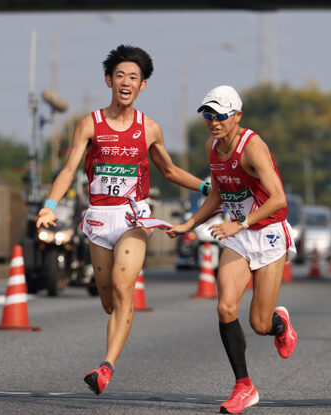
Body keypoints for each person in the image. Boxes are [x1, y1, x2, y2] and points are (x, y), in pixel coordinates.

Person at [36, 45, 209, 395]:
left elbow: (170, 170)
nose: (126, 82)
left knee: (122, 285)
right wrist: (49, 205)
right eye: (120, 76)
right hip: (99, 218)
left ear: (142, 85)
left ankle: (106, 366)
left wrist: (208, 186)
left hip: (134, 216)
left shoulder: (150, 129)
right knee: (108, 301)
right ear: (108, 81)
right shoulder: (89, 124)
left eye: (134, 77)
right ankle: (115, 334)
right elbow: (69, 170)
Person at [166, 85, 298, 414]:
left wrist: (240, 223)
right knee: (225, 308)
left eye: (220, 115)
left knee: (260, 324)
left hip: (267, 233)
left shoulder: (252, 147)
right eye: (208, 115)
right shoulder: (213, 147)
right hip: (239, 236)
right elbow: (217, 195)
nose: (213, 121)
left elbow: (279, 199)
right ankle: (244, 386)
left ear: (237, 116)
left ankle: (279, 324)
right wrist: (189, 223)